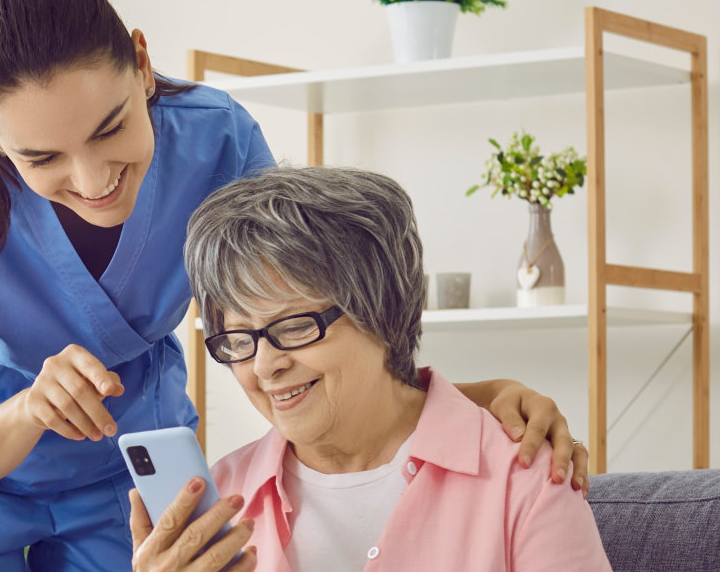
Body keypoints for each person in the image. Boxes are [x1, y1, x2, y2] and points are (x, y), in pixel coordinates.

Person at [0, 0, 590, 569]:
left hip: (126, 456)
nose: (92, 179)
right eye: (42, 159)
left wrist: (467, 403)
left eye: (110, 127)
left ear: (142, 65)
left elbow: (311, 327)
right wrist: (30, 408)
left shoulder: (216, 138)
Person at [130, 166, 612, 571]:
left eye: (295, 327)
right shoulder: (219, 500)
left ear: (381, 313)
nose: (265, 365)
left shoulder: (522, 478)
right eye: (238, 339)